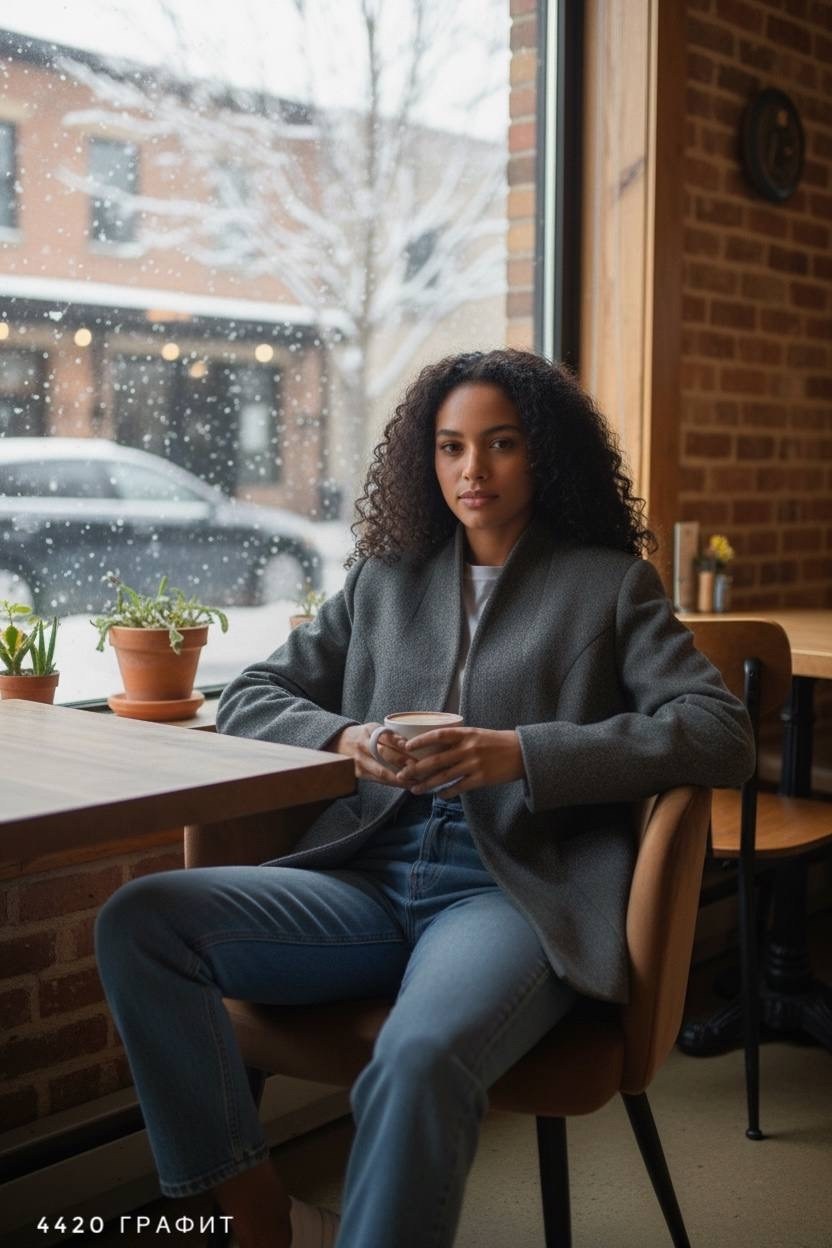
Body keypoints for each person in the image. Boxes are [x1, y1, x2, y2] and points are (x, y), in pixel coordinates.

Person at [96, 349, 755, 1248]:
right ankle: (252, 1212)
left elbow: (720, 731)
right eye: (450, 447)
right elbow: (251, 694)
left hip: (509, 890)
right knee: (140, 922)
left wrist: (521, 753)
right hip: (363, 877)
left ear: (545, 453)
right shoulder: (383, 581)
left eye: (501, 445)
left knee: (420, 1056)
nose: (471, 471)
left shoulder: (607, 586)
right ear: (425, 457)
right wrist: (347, 738)